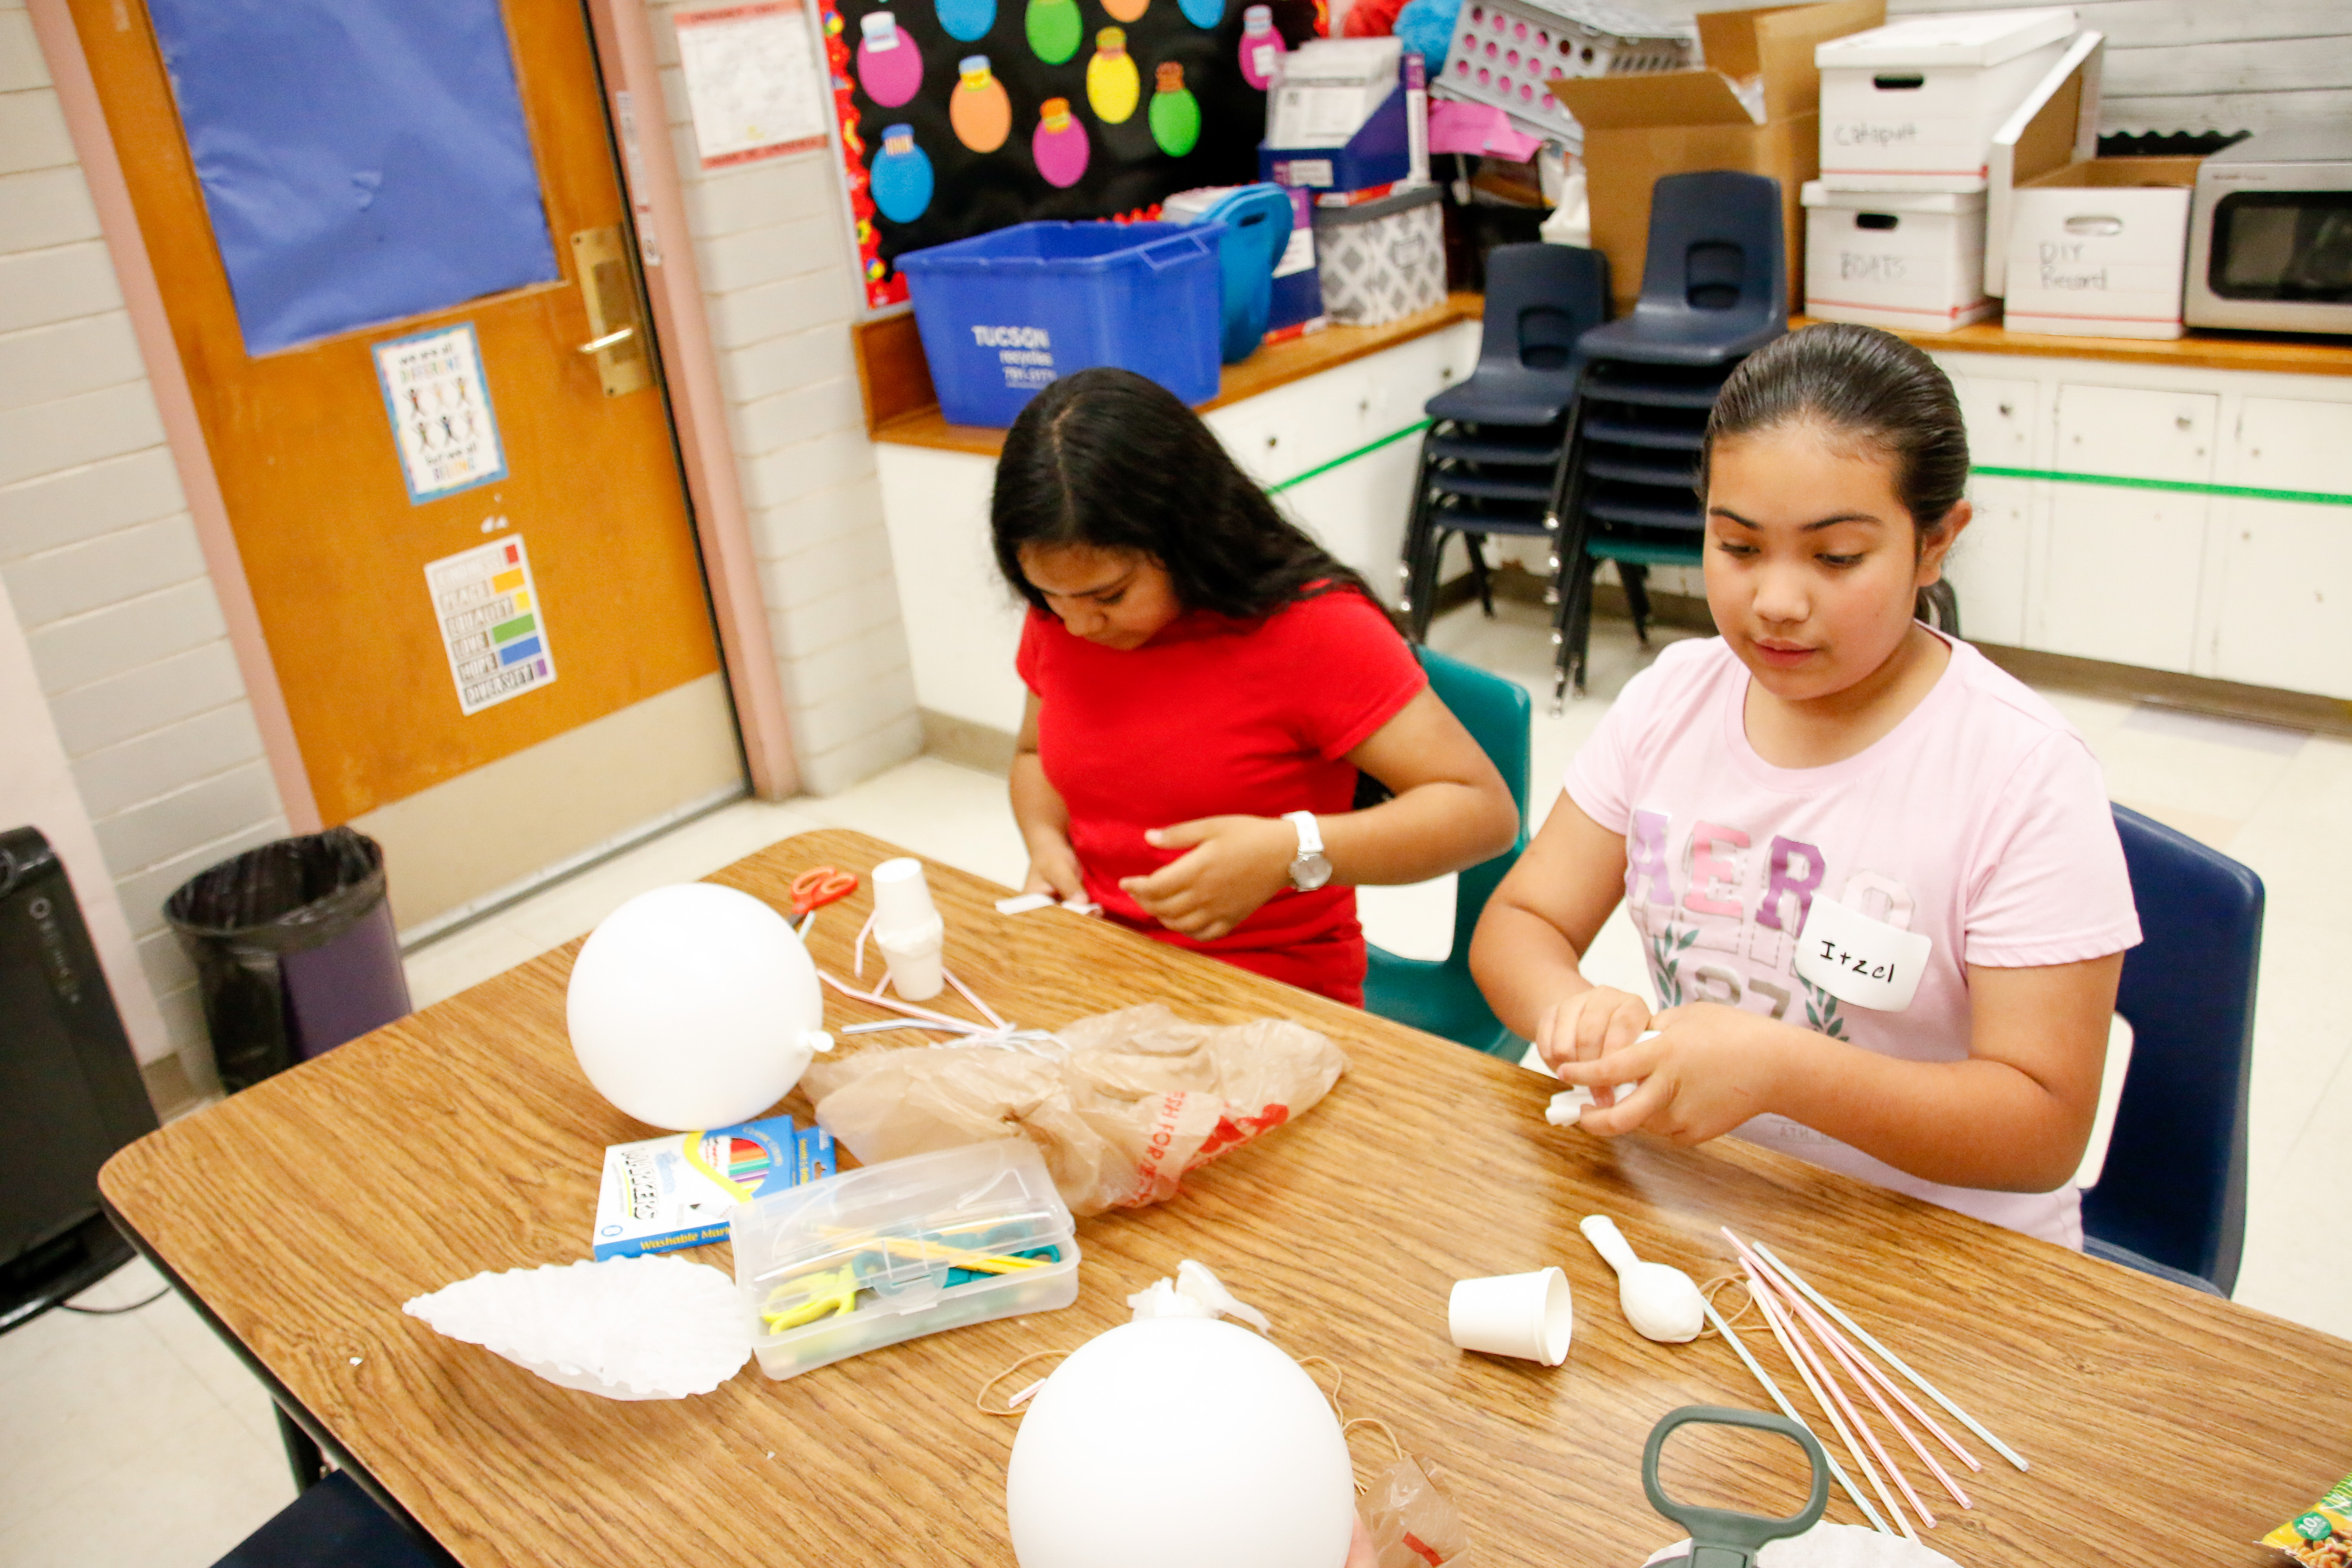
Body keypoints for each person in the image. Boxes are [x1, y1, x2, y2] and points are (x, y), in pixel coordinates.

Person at [1469, 323, 2141, 1247]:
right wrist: (1569, 1011)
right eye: (1739, 548)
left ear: (1936, 543)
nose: (1777, 601)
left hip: (1949, 1252)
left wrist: (1784, 1071)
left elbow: (2041, 1129)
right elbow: (1522, 925)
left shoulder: (2020, 774)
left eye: (1835, 558)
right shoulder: (1673, 700)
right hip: (1717, 1208)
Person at [996, 367, 1519, 1006]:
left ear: (1185, 536)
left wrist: (1290, 851)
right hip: (1101, 961)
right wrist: (1046, 844)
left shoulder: (1312, 629)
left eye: (1110, 596)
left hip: (1270, 995)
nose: (1077, 624)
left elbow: (1482, 813)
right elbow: (1032, 756)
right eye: (1049, 596)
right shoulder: (1061, 617)